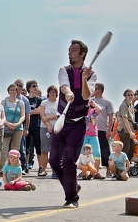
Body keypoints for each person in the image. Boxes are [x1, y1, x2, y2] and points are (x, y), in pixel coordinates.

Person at [49, 39, 96, 209]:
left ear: (82, 54)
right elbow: (63, 86)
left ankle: (72, 197)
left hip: (77, 124)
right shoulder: (64, 70)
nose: (70, 53)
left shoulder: (92, 75)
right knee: (54, 160)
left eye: (74, 50)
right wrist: (68, 93)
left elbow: (85, 96)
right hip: (62, 121)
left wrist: (84, 80)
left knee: (69, 160)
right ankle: (73, 185)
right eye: (69, 50)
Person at [0, 84, 25, 173]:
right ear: (8, 91)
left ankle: (14, 168)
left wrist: (17, 124)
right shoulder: (4, 101)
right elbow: (1, 115)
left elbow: (23, 116)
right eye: (11, 90)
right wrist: (7, 123)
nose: (13, 91)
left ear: (17, 91)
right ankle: (2, 168)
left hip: (18, 128)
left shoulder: (20, 102)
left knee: (15, 149)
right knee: (4, 148)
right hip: (6, 127)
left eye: (14, 90)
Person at [93, 83, 114, 178]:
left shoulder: (107, 102)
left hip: (102, 129)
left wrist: (109, 130)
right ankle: (91, 170)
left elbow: (111, 117)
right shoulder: (90, 101)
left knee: (105, 150)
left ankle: (108, 170)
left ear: (100, 90)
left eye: (96, 88)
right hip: (92, 130)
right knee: (91, 150)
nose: (94, 90)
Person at [81, 98, 105, 179]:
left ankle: (96, 173)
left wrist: (93, 102)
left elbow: (100, 109)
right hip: (84, 135)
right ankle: (83, 172)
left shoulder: (94, 111)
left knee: (97, 154)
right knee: (83, 154)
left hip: (93, 135)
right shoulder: (82, 111)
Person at [25, 80, 43, 175]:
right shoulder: (25, 99)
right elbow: (24, 112)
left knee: (38, 147)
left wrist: (29, 112)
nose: (35, 87)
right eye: (33, 86)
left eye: (36, 85)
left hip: (37, 126)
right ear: (29, 88)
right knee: (26, 147)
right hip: (27, 126)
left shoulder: (39, 100)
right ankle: (26, 166)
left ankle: (40, 167)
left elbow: (40, 111)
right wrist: (33, 111)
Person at [39, 85, 58, 178]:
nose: (52, 94)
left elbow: (59, 114)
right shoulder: (44, 103)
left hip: (57, 128)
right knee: (44, 149)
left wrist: (49, 118)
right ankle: (43, 169)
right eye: (50, 92)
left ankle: (55, 171)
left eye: (53, 92)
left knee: (55, 150)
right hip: (44, 128)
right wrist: (48, 125)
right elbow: (42, 115)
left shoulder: (59, 103)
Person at [13, 79, 31, 174]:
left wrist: (26, 128)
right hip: (9, 127)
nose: (18, 87)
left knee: (21, 148)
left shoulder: (24, 100)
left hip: (20, 127)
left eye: (20, 86)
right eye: (17, 85)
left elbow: (27, 115)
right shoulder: (8, 99)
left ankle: (23, 166)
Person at [117, 89, 137, 161]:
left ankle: (127, 165)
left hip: (130, 130)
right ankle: (122, 167)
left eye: (132, 95)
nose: (130, 96)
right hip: (124, 130)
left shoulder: (131, 105)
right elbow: (125, 119)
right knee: (125, 149)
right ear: (125, 96)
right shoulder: (124, 105)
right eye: (128, 95)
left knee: (132, 148)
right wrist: (130, 132)